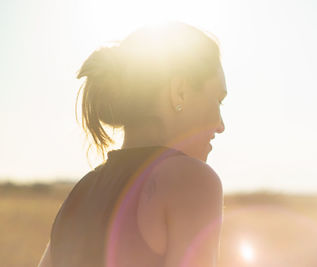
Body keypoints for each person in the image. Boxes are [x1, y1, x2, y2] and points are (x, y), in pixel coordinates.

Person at [38, 22, 227, 267]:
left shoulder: (80, 193)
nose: (221, 125)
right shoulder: (191, 180)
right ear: (179, 92)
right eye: (218, 100)